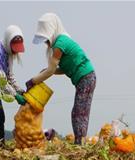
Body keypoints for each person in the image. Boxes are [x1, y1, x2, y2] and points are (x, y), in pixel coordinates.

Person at [25, 13, 95, 144]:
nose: (46, 43)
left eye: (46, 40)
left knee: (80, 112)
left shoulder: (60, 43)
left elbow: (51, 70)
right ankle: (80, 141)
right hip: (85, 78)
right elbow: (64, 69)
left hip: (86, 77)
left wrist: (32, 81)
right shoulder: (61, 42)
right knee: (78, 111)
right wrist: (45, 72)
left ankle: (80, 143)